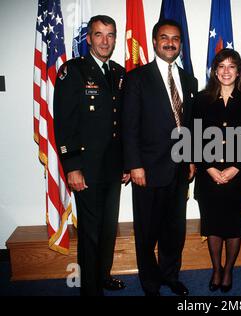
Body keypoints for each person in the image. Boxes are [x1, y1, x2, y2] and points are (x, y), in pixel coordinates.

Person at [53, 15, 130, 296]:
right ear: (88, 38)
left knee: (109, 227)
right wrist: (71, 166)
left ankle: (103, 275)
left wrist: (126, 162)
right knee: (90, 231)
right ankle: (90, 287)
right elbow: (64, 123)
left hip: (112, 167)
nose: (105, 41)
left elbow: (121, 124)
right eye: (99, 35)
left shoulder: (119, 73)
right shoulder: (73, 71)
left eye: (110, 35)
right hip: (85, 167)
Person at [122, 19, 198, 296]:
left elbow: (189, 124)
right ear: (154, 42)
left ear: (180, 43)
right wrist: (134, 164)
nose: (170, 43)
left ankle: (170, 276)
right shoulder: (137, 78)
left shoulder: (190, 80)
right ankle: (150, 283)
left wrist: (191, 159)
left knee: (174, 230)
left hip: (179, 171)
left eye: (175, 39)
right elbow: (129, 126)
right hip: (148, 170)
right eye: (164, 37)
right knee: (147, 231)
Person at [192, 49, 241, 293]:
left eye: (232, 66)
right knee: (212, 225)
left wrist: (236, 168)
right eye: (221, 66)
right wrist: (208, 168)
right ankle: (216, 268)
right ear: (214, 70)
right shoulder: (201, 99)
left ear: (239, 71)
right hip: (208, 176)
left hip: (238, 177)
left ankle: (228, 269)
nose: (226, 71)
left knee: (233, 227)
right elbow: (193, 138)